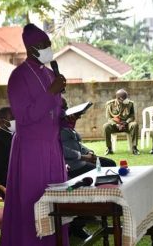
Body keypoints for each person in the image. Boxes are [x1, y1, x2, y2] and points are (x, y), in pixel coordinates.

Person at [0, 24, 68, 246]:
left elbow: (51, 112)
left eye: (49, 44)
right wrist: (51, 93)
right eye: (44, 45)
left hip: (52, 148)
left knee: (56, 204)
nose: (49, 49)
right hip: (31, 150)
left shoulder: (50, 74)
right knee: (34, 202)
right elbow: (25, 116)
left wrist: (65, 117)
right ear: (31, 48)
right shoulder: (18, 77)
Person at [61, 98, 116, 239]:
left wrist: (89, 152)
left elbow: (77, 143)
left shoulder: (66, 123)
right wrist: (83, 156)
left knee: (109, 163)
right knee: (97, 177)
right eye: (63, 106)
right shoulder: (55, 126)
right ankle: (80, 222)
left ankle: (103, 207)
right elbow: (63, 149)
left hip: (82, 160)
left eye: (66, 106)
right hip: (73, 165)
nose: (66, 109)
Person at [103, 89, 140, 155]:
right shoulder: (110, 104)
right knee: (106, 126)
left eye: (126, 97)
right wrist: (116, 125)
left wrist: (126, 122)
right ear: (119, 98)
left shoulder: (130, 104)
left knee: (134, 124)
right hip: (115, 126)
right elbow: (109, 118)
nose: (126, 99)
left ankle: (134, 148)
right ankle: (109, 148)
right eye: (124, 98)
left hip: (126, 125)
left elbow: (132, 116)